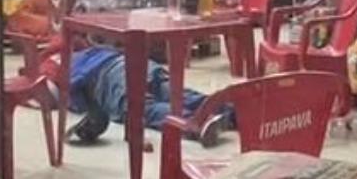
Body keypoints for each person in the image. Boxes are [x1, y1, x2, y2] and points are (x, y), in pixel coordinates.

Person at [39, 45, 229, 147]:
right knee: (178, 93)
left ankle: (196, 123)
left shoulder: (49, 66)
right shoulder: (88, 50)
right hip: (134, 60)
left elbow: (53, 94)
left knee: (143, 108)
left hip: (108, 77)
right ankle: (233, 110)